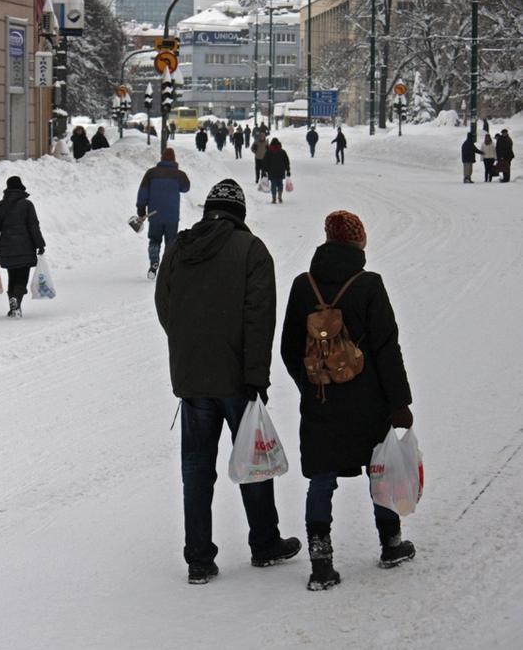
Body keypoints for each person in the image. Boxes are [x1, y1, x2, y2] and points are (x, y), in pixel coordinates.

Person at [155, 178, 301, 585]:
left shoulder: (179, 249)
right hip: (239, 380)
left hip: (192, 380)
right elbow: (260, 320)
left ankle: (199, 559)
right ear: (240, 215)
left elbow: (164, 306)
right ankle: (265, 543)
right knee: (254, 465)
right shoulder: (252, 250)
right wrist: (257, 378)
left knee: (196, 471)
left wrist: (189, 344)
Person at [281, 210, 415, 590]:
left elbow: (290, 347)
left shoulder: (302, 285)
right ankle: (391, 544)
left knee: (321, 479)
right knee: (379, 470)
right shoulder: (369, 284)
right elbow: (387, 348)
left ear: (326, 239)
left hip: (320, 400)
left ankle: (321, 563)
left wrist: (310, 383)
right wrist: (398, 402)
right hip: (368, 400)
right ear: (359, 243)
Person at [0, 176, 46, 318]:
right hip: (25, 248)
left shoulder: (0, 206)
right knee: (22, 278)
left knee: (12, 277)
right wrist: (40, 244)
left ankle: (13, 308)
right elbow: (34, 227)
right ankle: (16, 302)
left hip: (7, 248)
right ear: (20, 187)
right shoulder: (27, 205)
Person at [136, 148, 190, 278]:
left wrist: (141, 209)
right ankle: (167, 266)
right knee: (171, 242)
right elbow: (186, 187)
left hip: (155, 215)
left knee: (154, 240)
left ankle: (154, 263)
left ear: (161, 158)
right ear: (174, 159)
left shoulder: (151, 173)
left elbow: (143, 191)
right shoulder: (179, 174)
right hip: (172, 216)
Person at [263, 137, 291, 204]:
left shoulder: (268, 152)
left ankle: (274, 198)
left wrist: (264, 170)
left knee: (273, 185)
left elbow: (265, 162)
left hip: (271, 171)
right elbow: (287, 161)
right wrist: (288, 170)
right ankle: (280, 196)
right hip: (281, 171)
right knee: (280, 184)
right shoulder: (282, 151)